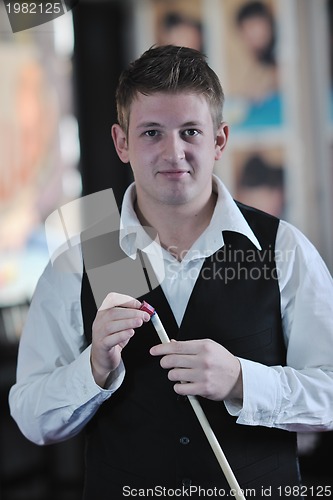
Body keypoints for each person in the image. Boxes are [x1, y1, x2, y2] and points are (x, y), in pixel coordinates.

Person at [9, 45, 333, 499]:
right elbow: (31, 418)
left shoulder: (282, 247)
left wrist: (242, 379)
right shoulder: (81, 257)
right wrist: (94, 369)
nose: (173, 152)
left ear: (219, 140)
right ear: (122, 143)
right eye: (152, 133)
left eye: (190, 131)